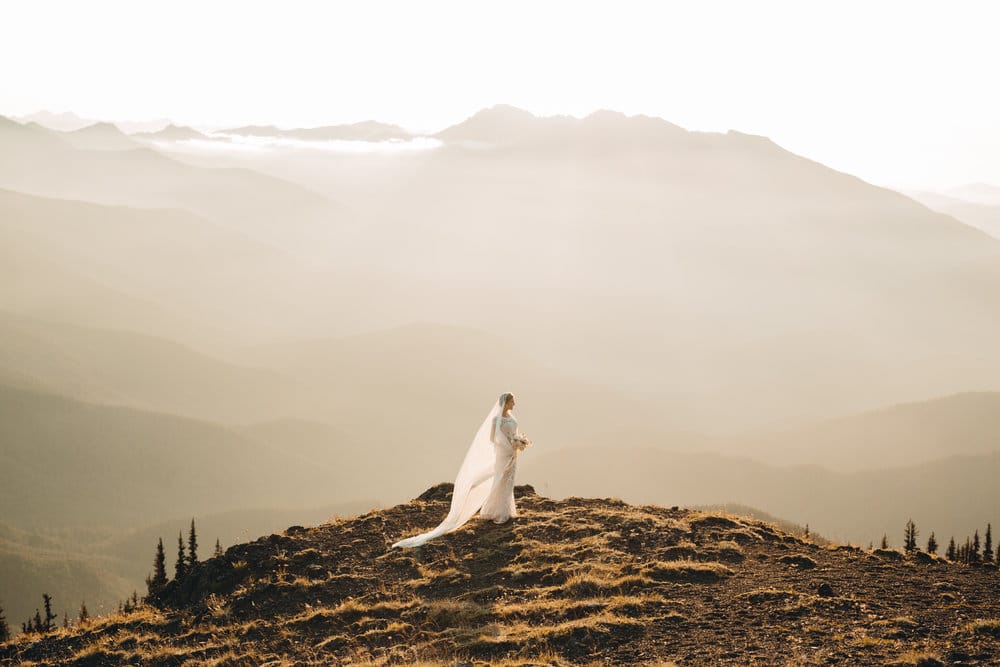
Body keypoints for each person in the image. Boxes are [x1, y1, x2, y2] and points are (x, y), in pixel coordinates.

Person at [390, 391, 532, 548]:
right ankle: (498, 512)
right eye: (513, 401)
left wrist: (518, 442)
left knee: (508, 482)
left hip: (512, 453)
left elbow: (514, 433)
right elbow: (493, 439)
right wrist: (509, 444)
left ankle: (505, 510)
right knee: (500, 482)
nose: (515, 404)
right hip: (503, 454)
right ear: (506, 403)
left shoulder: (511, 417)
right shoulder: (496, 420)